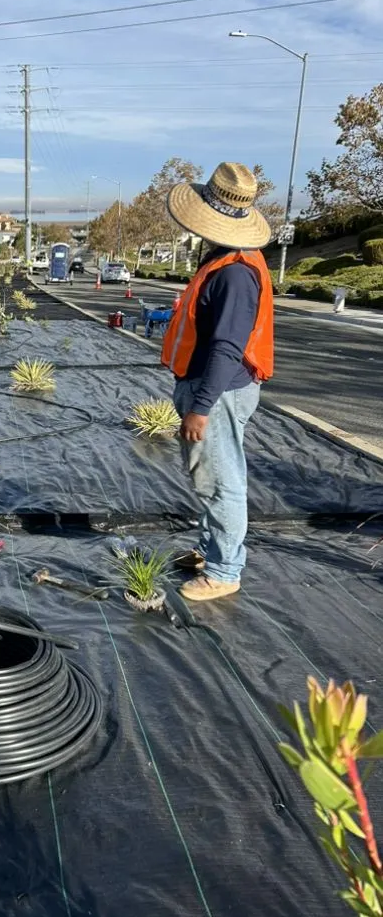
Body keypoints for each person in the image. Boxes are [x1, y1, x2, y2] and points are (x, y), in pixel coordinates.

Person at [161, 162, 274, 602]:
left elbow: (228, 347)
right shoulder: (223, 259)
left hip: (220, 392)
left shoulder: (234, 273)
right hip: (212, 386)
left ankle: (224, 571)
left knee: (221, 482)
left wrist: (200, 407)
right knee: (209, 477)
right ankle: (211, 551)